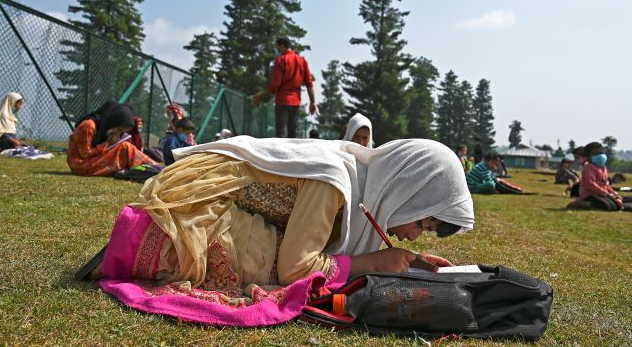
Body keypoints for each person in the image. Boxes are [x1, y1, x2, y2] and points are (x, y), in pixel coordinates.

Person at [80, 137, 474, 323]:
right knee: (271, 265)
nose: (416, 234)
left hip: (209, 201)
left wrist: (404, 262)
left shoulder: (362, 181)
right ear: (404, 192)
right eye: (423, 221)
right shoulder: (334, 182)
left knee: (288, 251)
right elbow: (296, 268)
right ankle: (139, 244)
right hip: (196, 206)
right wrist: (371, 261)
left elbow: (341, 242)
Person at [67, 100, 155, 176]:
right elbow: (84, 154)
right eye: (119, 129)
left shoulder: (103, 127)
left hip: (92, 161)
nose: (118, 133)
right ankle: (154, 168)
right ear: (112, 121)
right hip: (80, 165)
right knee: (125, 147)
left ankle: (153, 168)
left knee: (125, 147)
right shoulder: (88, 126)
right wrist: (107, 144)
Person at [252, 37, 317, 138]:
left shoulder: (281, 60)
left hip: (282, 101)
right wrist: (312, 102)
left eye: (277, 45)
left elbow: (275, 84)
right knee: (292, 135)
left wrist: (260, 96)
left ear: (282, 45)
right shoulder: (302, 61)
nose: (276, 48)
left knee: (281, 134)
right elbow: (309, 83)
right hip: (296, 102)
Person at [568, 142, 624, 210]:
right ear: (587, 157)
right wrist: (606, 194)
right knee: (607, 206)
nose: (600, 155)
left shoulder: (603, 168)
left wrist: (613, 192)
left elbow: (606, 184)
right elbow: (590, 184)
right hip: (589, 194)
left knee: (614, 205)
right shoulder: (589, 167)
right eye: (596, 153)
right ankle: (580, 203)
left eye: (601, 153)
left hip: (601, 193)